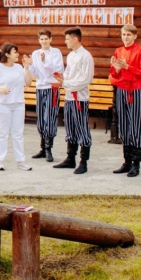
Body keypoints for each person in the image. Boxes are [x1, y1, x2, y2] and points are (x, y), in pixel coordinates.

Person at [109, 24, 141, 177]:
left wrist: (127, 66)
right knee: (124, 125)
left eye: (128, 35)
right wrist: (117, 68)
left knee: (135, 126)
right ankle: (127, 162)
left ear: (135, 36)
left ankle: (136, 164)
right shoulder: (118, 51)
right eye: (123, 34)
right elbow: (113, 74)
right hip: (121, 90)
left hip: (135, 91)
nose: (125, 37)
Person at [0, 42, 33, 171]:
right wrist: (0, 90)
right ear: (7, 54)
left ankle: (21, 161)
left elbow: (28, 83)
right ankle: (0, 161)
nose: (17, 54)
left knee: (18, 133)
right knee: (2, 133)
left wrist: (27, 68)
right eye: (15, 52)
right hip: (2, 105)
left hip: (18, 104)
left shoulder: (19, 68)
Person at [53, 27, 94, 174]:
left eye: (67, 39)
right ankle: (70, 158)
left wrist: (66, 83)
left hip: (80, 98)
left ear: (75, 39)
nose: (65, 42)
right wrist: (62, 79)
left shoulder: (86, 56)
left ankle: (83, 162)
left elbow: (86, 79)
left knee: (82, 128)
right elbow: (69, 74)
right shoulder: (71, 55)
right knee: (70, 127)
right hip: (69, 96)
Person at [28, 29, 63, 162]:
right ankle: (43, 148)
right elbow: (35, 73)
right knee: (41, 118)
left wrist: (45, 61)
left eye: (46, 39)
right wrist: (30, 65)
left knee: (50, 117)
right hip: (40, 88)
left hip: (52, 87)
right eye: (41, 39)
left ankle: (49, 148)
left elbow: (57, 71)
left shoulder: (56, 52)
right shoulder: (35, 53)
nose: (44, 41)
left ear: (50, 39)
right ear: (39, 40)